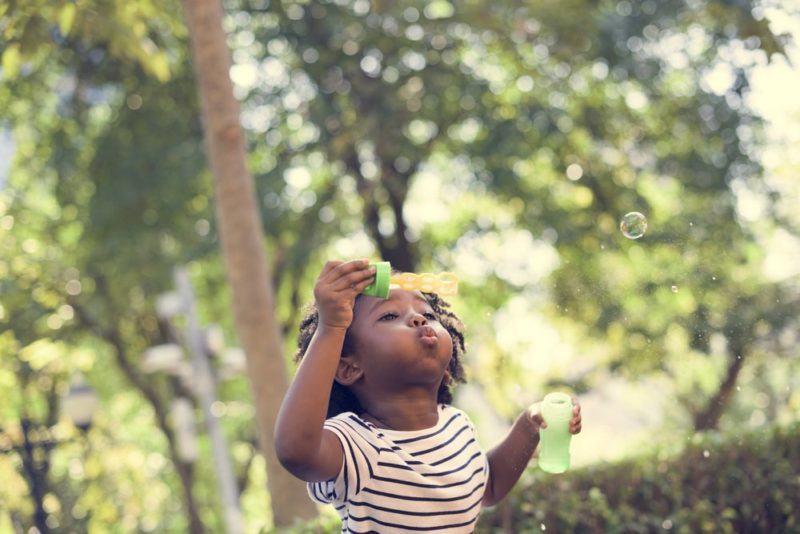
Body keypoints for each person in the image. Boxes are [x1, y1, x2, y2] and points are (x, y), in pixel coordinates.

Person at [275, 259, 582, 533]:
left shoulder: (457, 426)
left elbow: (486, 488)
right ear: (348, 368)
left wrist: (529, 426)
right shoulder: (359, 444)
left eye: (427, 312)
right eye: (389, 316)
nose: (419, 319)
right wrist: (331, 328)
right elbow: (296, 451)